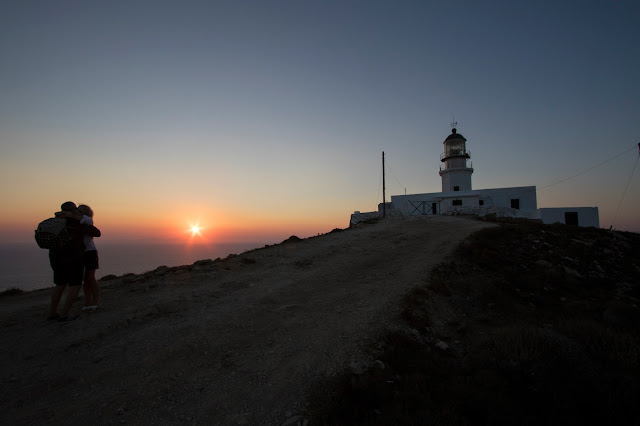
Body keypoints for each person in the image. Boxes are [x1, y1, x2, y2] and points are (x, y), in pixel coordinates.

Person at [47, 201, 101, 324]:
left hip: (55, 257)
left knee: (60, 285)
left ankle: (52, 313)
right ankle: (64, 315)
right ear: (73, 210)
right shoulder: (75, 222)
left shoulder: (55, 221)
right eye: (76, 210)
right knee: (75, 285)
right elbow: (96, 232)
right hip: (72, 258)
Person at [78, 204, 100, 312]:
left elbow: (85, 219)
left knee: (91, 277)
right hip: (81, 253)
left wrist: (69, 214)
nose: (78, 212)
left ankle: (95, 300)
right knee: (85, 279)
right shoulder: (78, 221)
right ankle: (88, 301)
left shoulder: (87, 220)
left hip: (90, 252)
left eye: (81, 211)